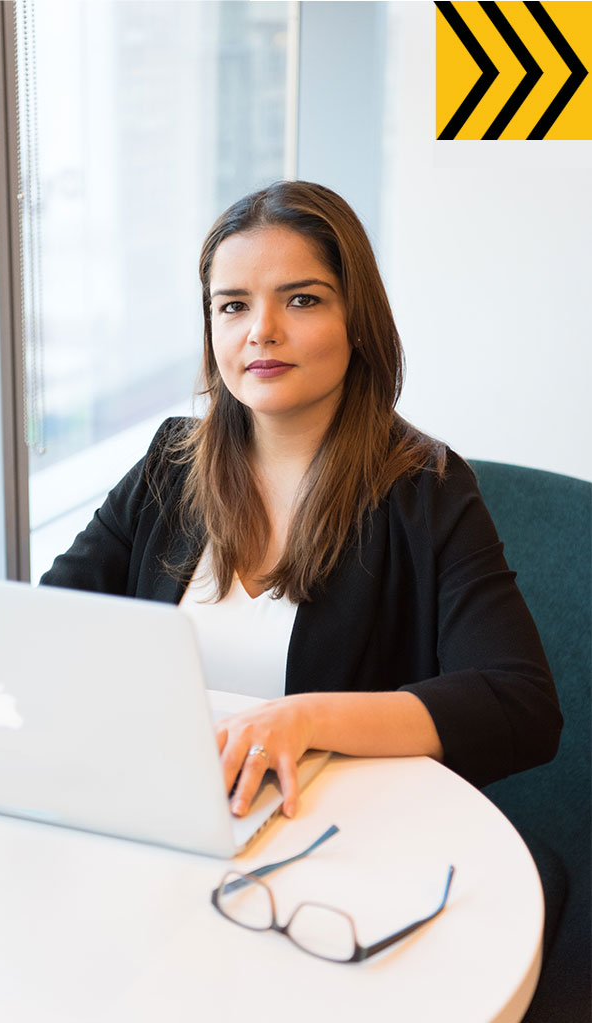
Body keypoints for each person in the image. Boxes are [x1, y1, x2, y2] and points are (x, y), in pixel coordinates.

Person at [41, 179, 562, 820]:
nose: (262, 332)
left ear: (358, 322)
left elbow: (518, 703)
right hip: (170, 808)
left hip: (334, 829)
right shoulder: (171, 463)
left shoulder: (425, 489)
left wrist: (305, 718)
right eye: (232, 306)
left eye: (302, 300)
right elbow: (49, 623)